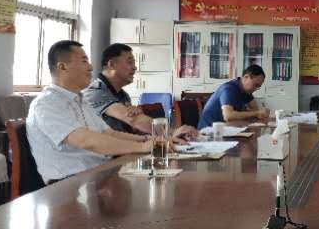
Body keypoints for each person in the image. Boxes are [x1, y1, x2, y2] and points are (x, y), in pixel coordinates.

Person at [27, 40, 195, 184]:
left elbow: (109, 133)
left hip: (100, 171)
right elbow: (86, 140)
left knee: (169, 179)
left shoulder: (80, 100)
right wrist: (143, 146)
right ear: (62, 67)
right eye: (84, 61)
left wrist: (152, 140)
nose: (91, 67)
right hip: (71, 183)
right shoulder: (47, 103)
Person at [83, 43, 154, 134]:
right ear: (112, 64)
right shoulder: (95, 93)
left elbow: (131, 127)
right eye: (130, 62)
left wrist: (138, 115)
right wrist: (167, 131)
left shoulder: (124, 95)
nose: (135, 67)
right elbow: (134, 120)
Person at [198, 64, 270, 129]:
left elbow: (255, 109)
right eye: (255, 85)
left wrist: (260, 113)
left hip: (227, 129)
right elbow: (228, 116)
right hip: (209, 132)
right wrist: (257, 113)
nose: (255, 89)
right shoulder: (229, 89)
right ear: (246, 77)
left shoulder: (246, 91)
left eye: (258, 87)